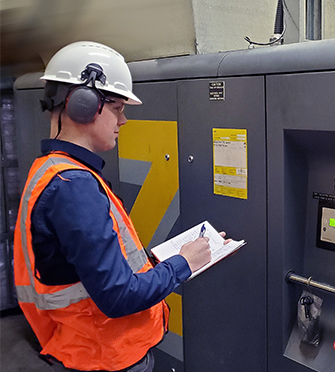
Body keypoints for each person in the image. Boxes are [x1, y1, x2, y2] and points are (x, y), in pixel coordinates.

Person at [13, 41, 221, 372]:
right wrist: (184, 263)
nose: (123, 120)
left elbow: (85, 270)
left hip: (83, 347)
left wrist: (156, 260)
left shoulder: (52, 171)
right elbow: (118, 296)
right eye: (118, 108)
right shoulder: (73, 187)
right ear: (84, 104)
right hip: (103, 356)